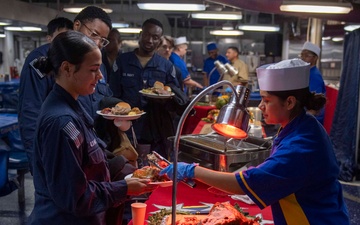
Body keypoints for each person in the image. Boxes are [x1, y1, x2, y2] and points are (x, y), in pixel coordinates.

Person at [160, 58, 350, 224]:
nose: (260, 105)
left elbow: (251, 181)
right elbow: (271, 172)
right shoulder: (299, 125)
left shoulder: (302, 145)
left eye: (267, 100)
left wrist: (192, 170)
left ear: (290, 102)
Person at [28, 30, 156, 225]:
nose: (100, 76)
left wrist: (122, 167)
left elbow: (87, 160)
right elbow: (75, 197)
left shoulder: (74, 106)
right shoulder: (62, 123)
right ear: (67, 68)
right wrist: (123, 188)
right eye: (93, 69)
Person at [109, 18, 183, 158]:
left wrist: (165, 100)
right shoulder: (122, 61)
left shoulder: (166, 66)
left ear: (159, 41)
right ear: (140, 34)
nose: (149, 40)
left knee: (155, 167)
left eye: (155, 37)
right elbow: (112, 95)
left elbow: (175, 96)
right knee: (128, 166)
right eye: (147, 35)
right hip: (127, 128)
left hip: (156, 129)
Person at [18, 17, 73, 173]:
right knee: (47, 190)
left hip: (64, 140)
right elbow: (30, 110)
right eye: (60, 37)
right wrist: (35, 152)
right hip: (44, 141)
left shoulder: (72, 57)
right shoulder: (40, 61)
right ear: (49, 38)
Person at [300, 41, 326, 124]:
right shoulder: (306, 72)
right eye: (302, 55)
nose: (303, 58)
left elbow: (315, 104)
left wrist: (304, 118)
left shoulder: (315, 75)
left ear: (315, 58)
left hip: (312, 119)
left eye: (307, 56)